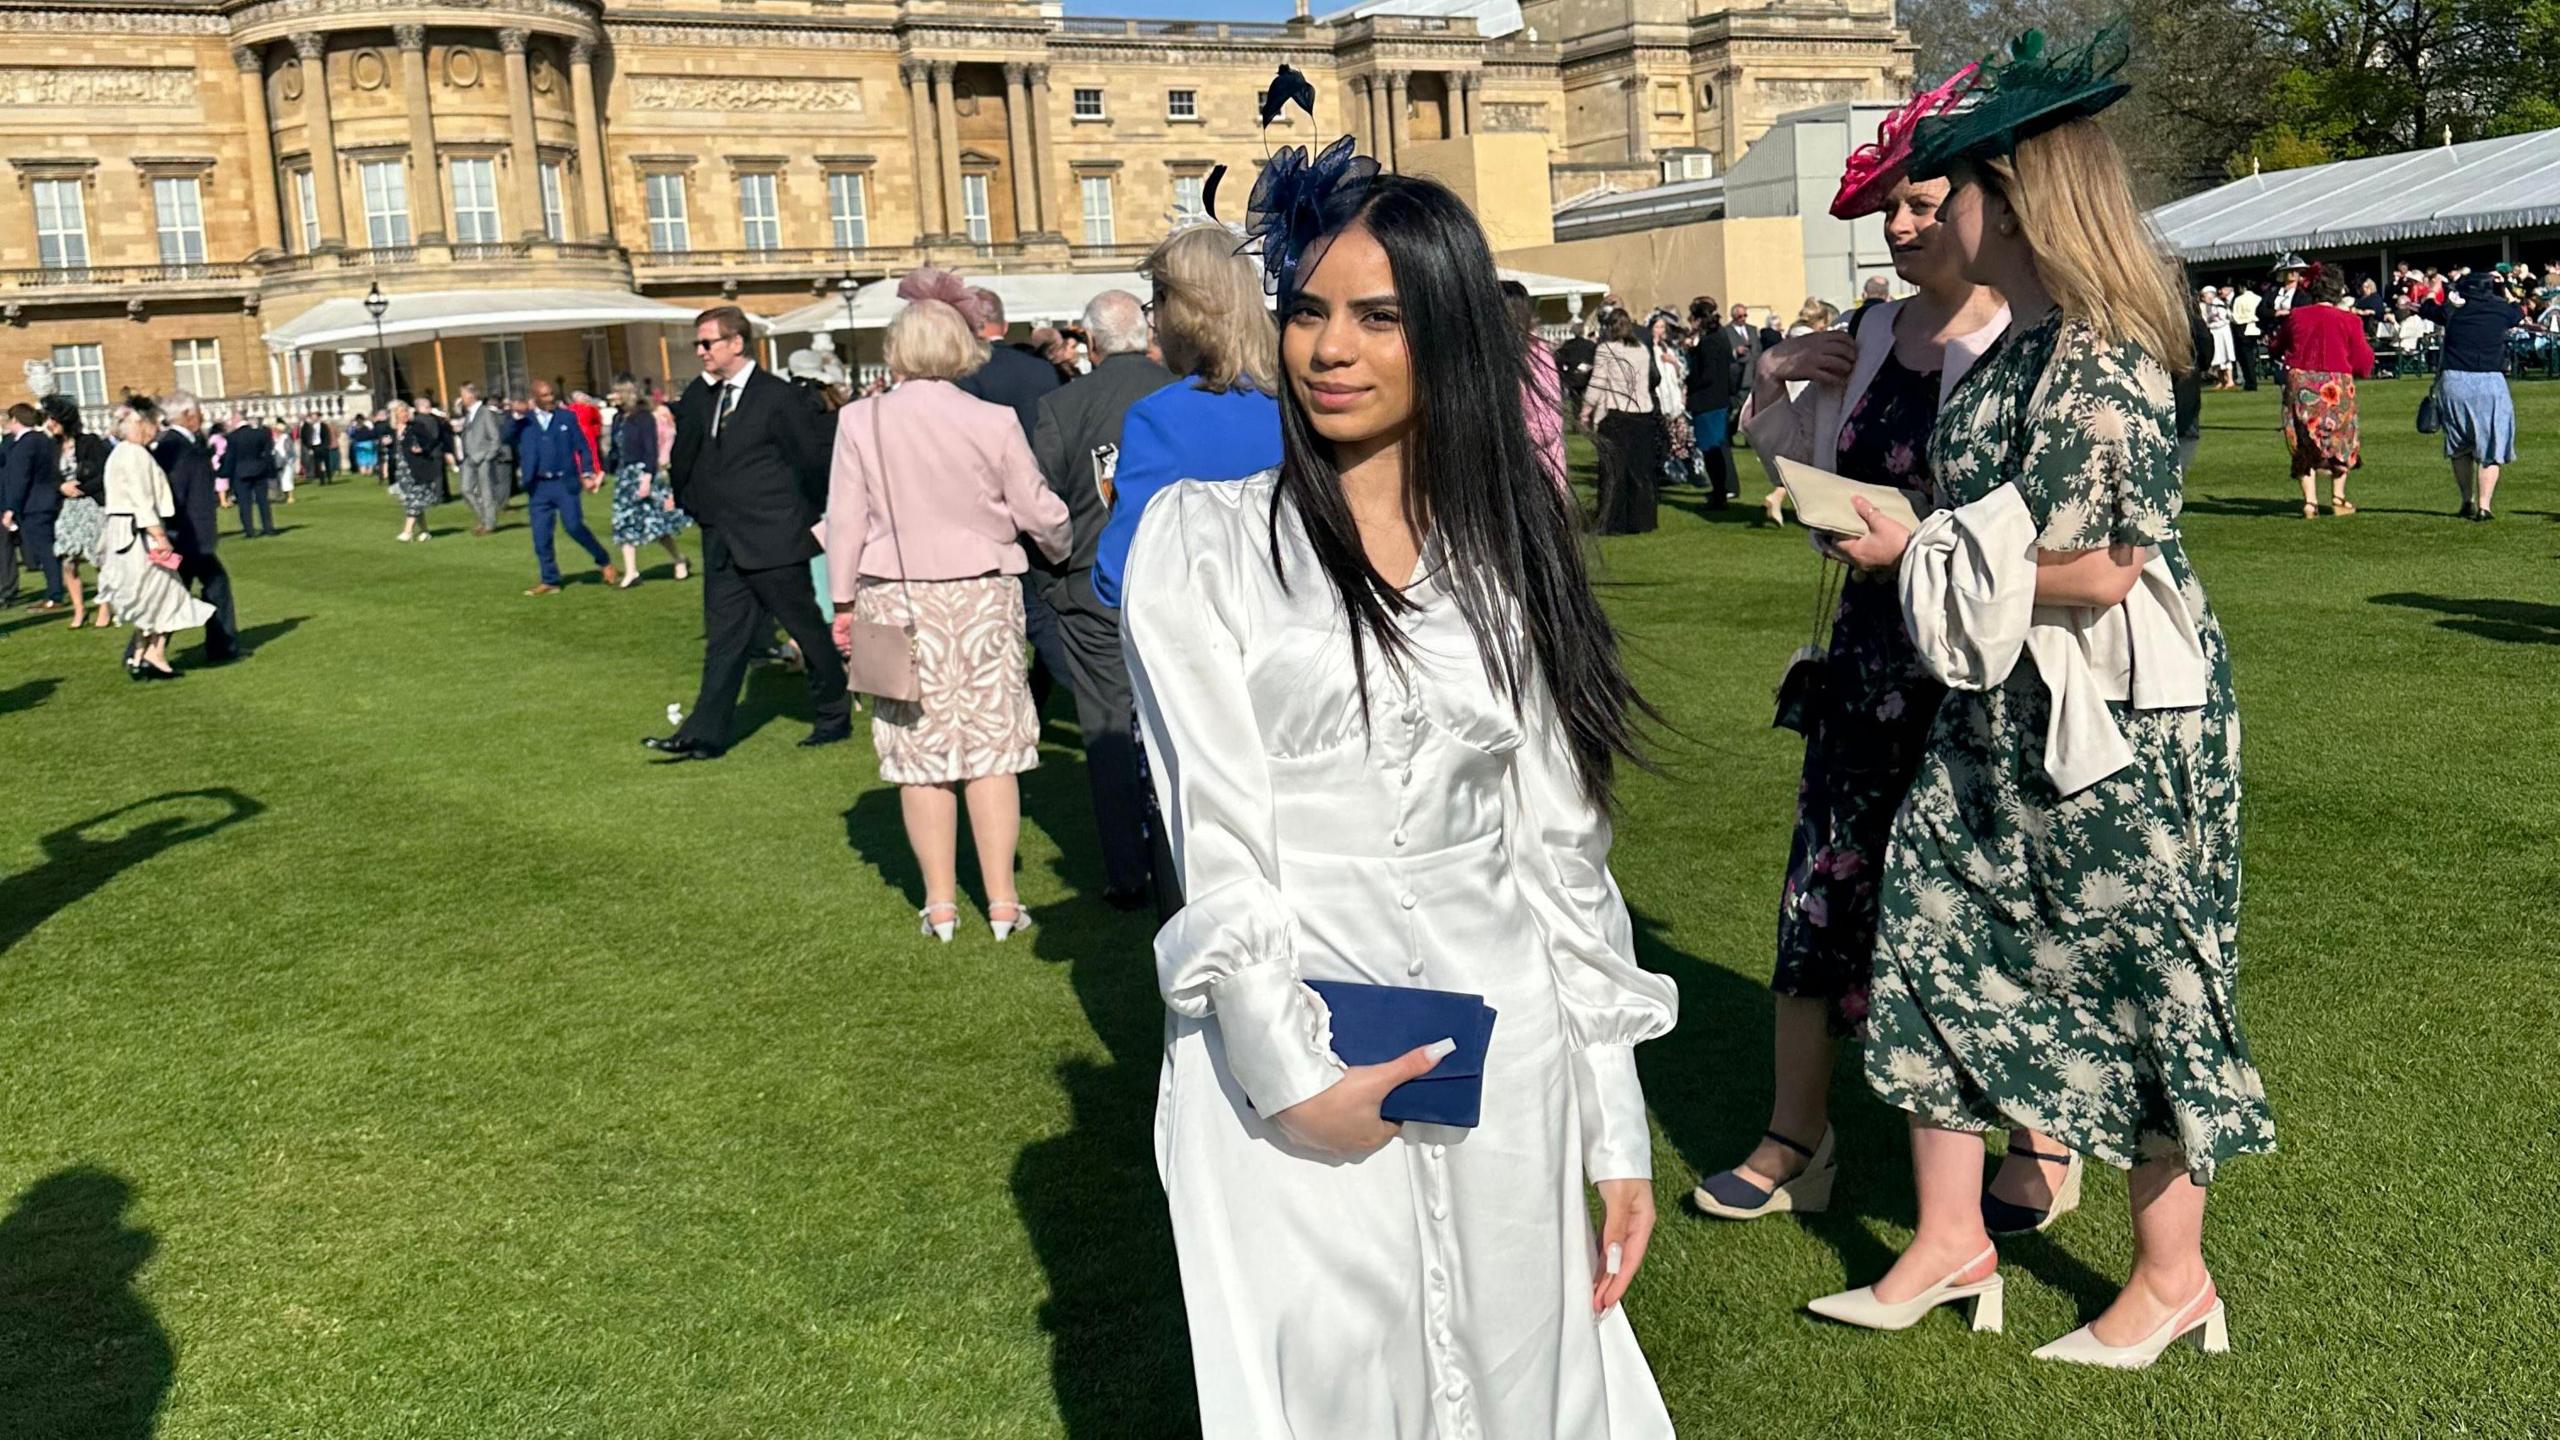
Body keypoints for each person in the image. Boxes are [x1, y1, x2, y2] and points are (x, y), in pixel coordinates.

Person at [1122, 161, 1679, 1440]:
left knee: (1528, 1378)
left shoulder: (1506, 552)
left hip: (1508, 1056)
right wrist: (1287, 1072)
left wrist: (1615, 1125)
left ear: (1450, 335)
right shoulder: (1204, 545)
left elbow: (1559, 853)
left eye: (1379, 317)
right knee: (1329, 1386)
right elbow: (1217, 833)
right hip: (1299, 1049)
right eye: (1309, 310)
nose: (1329, 348)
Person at [1817, 26, 2271, 1368]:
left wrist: (1918, 552)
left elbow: (2108, 568)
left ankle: (2172, 1277)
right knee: (1927, 933)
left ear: (2008, 199)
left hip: (2117, 724)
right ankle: (1950, 1241)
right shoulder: (2011, 349)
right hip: (2006, 708)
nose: (1919, 205)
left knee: (2144, 981)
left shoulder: (2101, 350)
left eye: (1940, 185)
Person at [1711, 68, 2069, 1231]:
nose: (1904, 227)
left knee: (2002, 900)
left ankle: (2039, 1138)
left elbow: (2058, 525)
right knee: (1823, 892)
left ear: (1984, 208)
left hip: (1980, 658)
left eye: (1924, 204)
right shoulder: (1868, 331)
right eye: (1893, 211)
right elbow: (1816, 478)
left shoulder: (2034, 340)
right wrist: (1773, 389)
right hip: (1868, 657)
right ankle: (1792, 1136)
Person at [824, 283, 1071, 939]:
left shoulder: (859, 420)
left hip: (892, 592)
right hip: (981, 593)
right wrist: (1062, 541)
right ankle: (1002, 902)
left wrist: (841, 601)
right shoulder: (991, 421)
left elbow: (844, 520)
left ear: (898, 349)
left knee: (917, 752)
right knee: (991, 749)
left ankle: (939, 904)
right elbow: (1036, 507)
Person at [1027, 290, 1175, 910]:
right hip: (1175, 578)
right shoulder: (1184, 391)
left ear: (1089, 343)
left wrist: (1056, 573)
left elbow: (1042, 504)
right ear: (1143, 334)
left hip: (1093, 583)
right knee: (1183, 723)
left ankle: (1127, 869)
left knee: (1108, 727)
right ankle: (1183, 856)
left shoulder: (1064, 406)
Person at [649, 304, 846, 758]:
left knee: (807, 631)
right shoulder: (702, 395)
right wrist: (697, 507)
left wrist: (801, 518)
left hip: (774, 538)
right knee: (724, 641)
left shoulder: (778, 397)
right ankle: (704, 734)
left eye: (707, 343)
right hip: (722, 539)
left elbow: (812, 463)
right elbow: (687, 457)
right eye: (697, 343)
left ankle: (832, 717)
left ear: (736, 343)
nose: (699, 352)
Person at [1091, 224, 1287, 608]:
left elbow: (1117, 576)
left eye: (1155, 306)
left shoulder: (1160, 419)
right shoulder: (1305, 401)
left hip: (1217, 644)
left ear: (1177, 308)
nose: (1153, 324)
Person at [96, 404, 214, 681]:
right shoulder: (136, 455)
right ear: (142, 425)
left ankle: (140, 653)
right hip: (138, 534)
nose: (156, 432)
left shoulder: (120, 453)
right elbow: (141, 501)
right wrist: (159, 536)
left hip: (123, 531)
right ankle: (154, 653)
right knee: (162, 593)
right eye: (152, 426)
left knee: (148, 594)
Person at [2265, 263, 2374, 517]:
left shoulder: (2296, 316)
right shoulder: (2350, 320)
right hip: (2336, 383)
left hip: (2301, 380)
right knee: (2343, 437)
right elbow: (2363, 361)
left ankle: (2310, 501)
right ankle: (2338, 497)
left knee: (2304, 439)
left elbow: (2276, 347)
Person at [2422, 271, 2522, 520]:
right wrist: (2505, 287)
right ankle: (2485, 506)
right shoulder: (2500, 312)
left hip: (2455, 380)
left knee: (2459, 446)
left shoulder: (2452, 312)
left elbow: (2426, 308)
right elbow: (2518, 310)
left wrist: (2435, 288)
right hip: (2490, 380)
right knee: (2490, 445)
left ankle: (2467, 500)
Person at [148, 391, 239, 663]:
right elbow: (173, 495)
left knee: (188, 591)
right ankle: (221, 647)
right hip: (188, 536)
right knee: (204, 588)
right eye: (198, 411)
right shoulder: (175, 446)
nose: (201, 416)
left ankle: (143, 652)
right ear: (188, 414)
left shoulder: (181, 444)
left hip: (188, 535)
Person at [508, 379, 618, 593]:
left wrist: (587, 472)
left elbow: (583, 447)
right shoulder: (525, 422)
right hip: (538, 485)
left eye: (551, 394)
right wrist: (516, 415)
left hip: (564, 483)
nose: (550, 399)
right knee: (541, 536)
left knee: (574, 526)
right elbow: (505, 437)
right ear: (534, 398)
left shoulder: (566, 417)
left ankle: (603, 559)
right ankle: (550, 580)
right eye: (545, 396)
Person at [1579, 310, 1661, 534]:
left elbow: (1597, 384)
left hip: (1617, 414)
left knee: (1614, 472)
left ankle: (1614, 521)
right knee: (1640, 471)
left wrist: (1585, 411)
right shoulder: (1642, 350)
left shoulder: (1606, 350)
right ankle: (1642, 519)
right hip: (1642, 414)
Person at [607, 381, 691, 586]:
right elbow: (615, 451)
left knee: (657, 525)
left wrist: (646, 478)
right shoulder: (619, 419)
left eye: (617, 393)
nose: (613, 397)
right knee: (624, 523)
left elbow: (650, 449)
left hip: (643, 475)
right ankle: (631, 572)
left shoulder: (644, 418)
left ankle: (678, 559)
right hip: (625, 477)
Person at [41, 395, 111, 629]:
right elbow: (49, 477)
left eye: (52, 419)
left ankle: (105, 607)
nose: (49, 424)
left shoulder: (90, 442)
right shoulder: (52, 447)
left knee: (99, 558)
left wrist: (81, 488)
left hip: (92, 504)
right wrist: (61, 487)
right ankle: (79, 609)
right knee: (67, 560)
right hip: (68, 508)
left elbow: (104, 474)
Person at [1504, 280, 1570, 491]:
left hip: (1537, 470)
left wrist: (1508, 438)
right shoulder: (1499, 354)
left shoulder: (1537, 354)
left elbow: (1548, 422)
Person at [0, 403, 56, 608]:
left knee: (15, 548)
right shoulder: (18, 442)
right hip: (19, 499)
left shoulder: (18, 443)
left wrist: (10, 507)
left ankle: (11, 591)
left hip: (23, 501)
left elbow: (17, 476)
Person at [1683, 295, 1737, 503]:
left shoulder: (1709, 342)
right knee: (1716, 448)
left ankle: (1719, 493)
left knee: (1711, 450)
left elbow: (1706, 374)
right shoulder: (1720, 337)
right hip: (1718, 399)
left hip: (1708, 401)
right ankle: (1720, 490)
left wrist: (1690, 381)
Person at [455, 383, 508, 534]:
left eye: (463, 396)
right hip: (469, 458)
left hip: (483, 457)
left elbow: (495, 437)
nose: (461, 399)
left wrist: (489, 456)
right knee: (466, 489)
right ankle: (483, 518)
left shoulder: (485, 412)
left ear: (471, 396)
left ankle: (489, 524)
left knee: (486, 492)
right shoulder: (469, 413)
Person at [385, 400, 440, 542]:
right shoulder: (391, 431)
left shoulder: (416, 427)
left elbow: (432, 440)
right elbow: (389, 448)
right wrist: (386, 444)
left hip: (416, 469)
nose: (404, 415)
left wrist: (422, 449)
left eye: (406, 412)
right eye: (401, 412)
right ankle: (425, 531)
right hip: (401, 471)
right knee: (412, 501)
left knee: (414, 500)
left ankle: (407, 532)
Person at [222, 411, 279, 537]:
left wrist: (225, 473)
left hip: (241, 472)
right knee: (263, 501)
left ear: (236, 420)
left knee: (244, 503)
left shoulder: (232, 437)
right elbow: (268, 454)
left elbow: (231, 458)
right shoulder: (260, 434)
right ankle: (268, 527)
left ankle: (249, 530)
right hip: (259, 470)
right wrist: (271, 470)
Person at [2229, 281, 2263, 391]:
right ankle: (2251, 381)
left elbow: (2235, 316)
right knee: (2251, 357)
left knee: (2245, 357)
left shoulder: (2239, 299)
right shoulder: (2258, 298)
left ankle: (2251, 382)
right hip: (2255, 328)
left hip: (2243, 328)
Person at [2200, 285, 2235, 389]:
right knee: (2217, 356)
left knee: (2226, 355)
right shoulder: (2204, 306)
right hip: (2213, 331)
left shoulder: (2219, 304)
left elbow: (2222, 318)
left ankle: (2230, 380)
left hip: (2223, 331)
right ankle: (2221, 380)